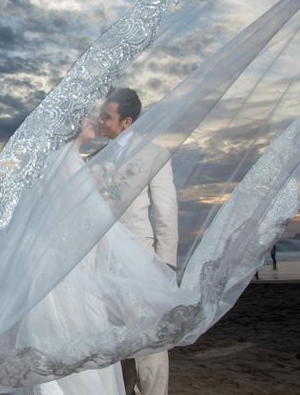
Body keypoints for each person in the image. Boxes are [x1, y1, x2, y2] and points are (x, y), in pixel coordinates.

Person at [97, 88, 178, 395]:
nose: (100, 120)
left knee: (148, 342)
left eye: (107, 115)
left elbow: (166, 209)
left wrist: (165, 262)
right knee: (116, 342)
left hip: (140, 261)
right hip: (101, 264)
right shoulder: (95, 159)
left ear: (127, 121)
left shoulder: (154, 154)